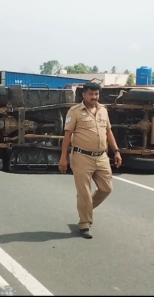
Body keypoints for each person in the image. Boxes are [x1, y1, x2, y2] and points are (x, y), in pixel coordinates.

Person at [59, 82, 122, 239]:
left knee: (106, 188)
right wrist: (63, 158)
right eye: (91, 94)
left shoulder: (103, 110)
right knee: (84, 193)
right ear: (84, 95)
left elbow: (108, 132)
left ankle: (85, 209)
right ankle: (84, 224)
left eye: (96, 94)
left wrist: (117, 151)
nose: (94, 97)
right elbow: (67, 136)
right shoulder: (74, 111)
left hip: (101, 157)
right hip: (82, 157)